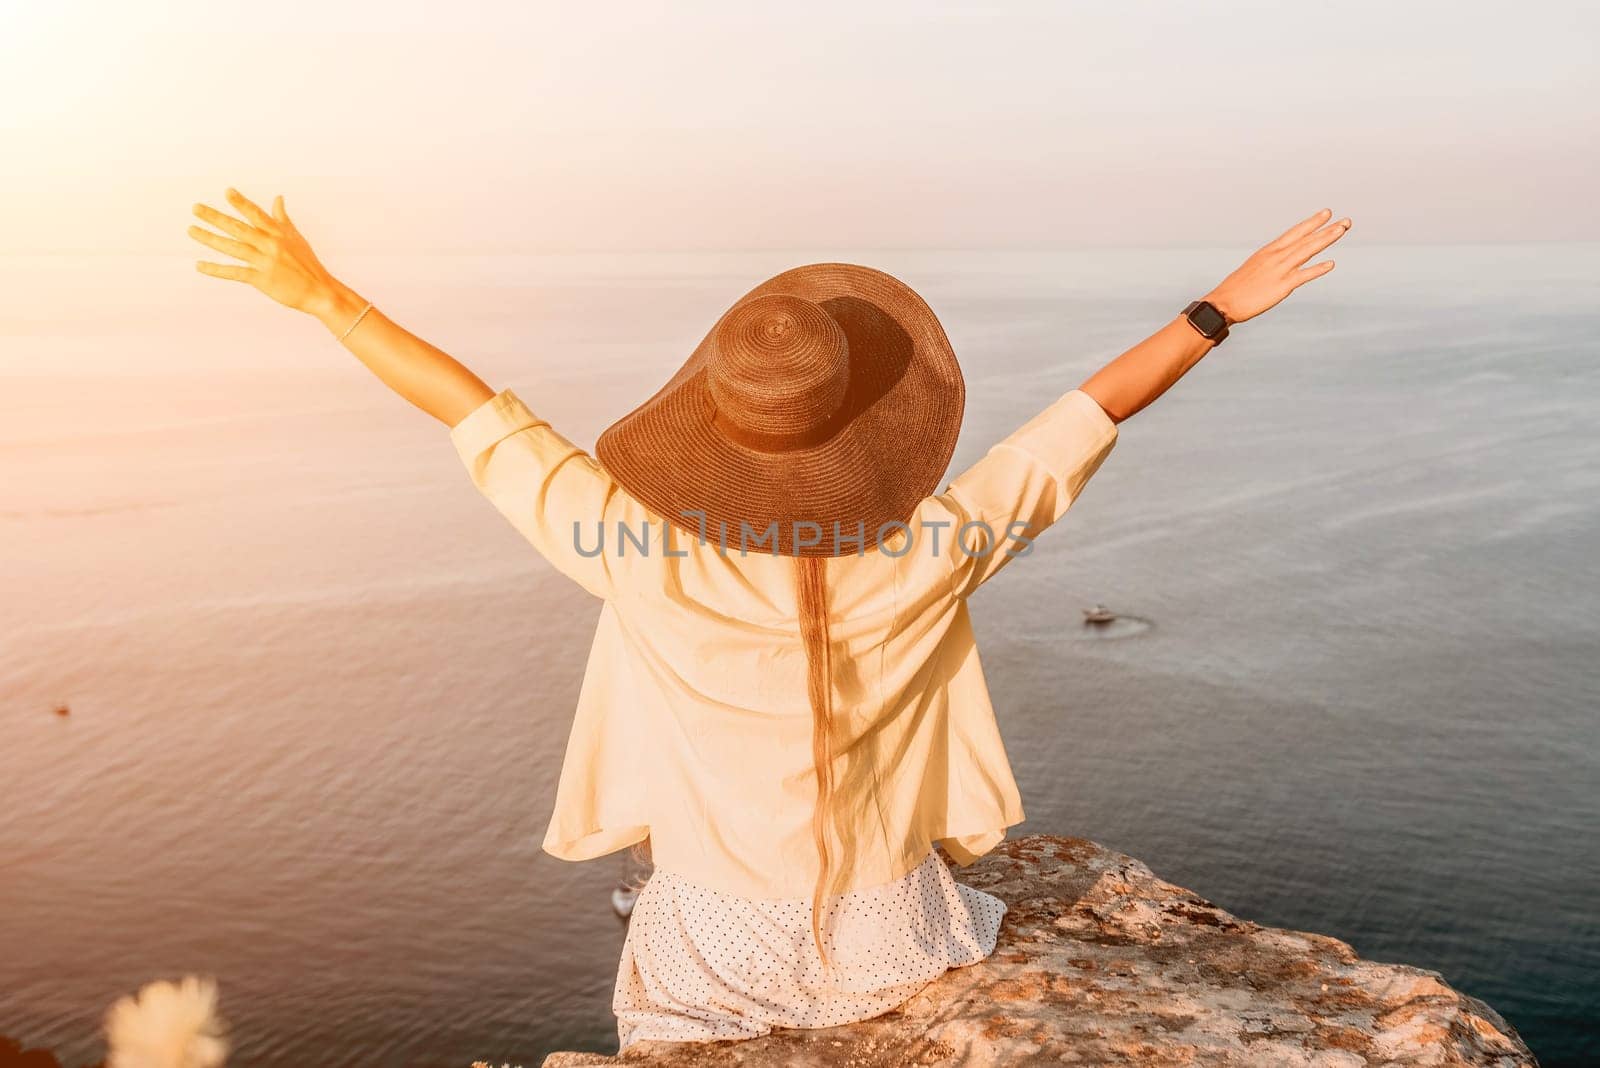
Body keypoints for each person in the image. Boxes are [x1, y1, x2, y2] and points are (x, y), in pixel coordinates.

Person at [188, 193, 1351, 1051]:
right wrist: (1215, 309)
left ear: (712, 424)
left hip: (712, 942)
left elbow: (480, 414)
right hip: (891, 931)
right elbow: (1080, 418)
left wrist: (323, 296)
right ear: (866, 429)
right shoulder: (929, 554)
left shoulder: (637, 553)